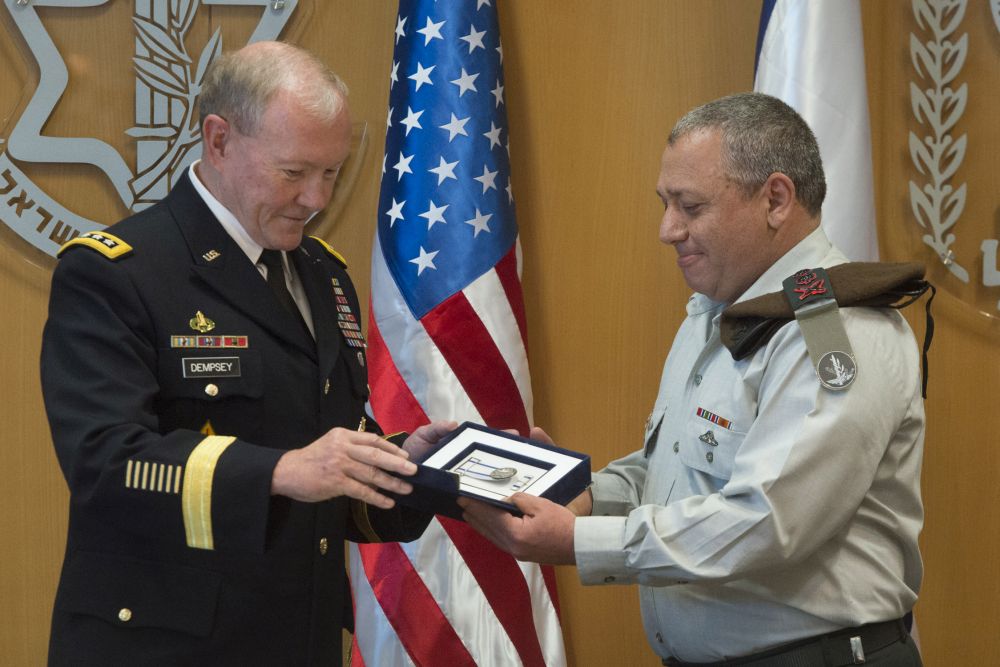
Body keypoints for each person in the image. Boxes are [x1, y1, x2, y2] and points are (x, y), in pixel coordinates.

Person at [461, 92, 925, 666]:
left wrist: (580, 541)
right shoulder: (718, 310)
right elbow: (678, 472)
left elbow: (768, 521)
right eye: (665, 204)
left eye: (690, 206)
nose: (667, 229)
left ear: (776, 199)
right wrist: (584, 496)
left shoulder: (834, 330)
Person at [40, 41, 453, 666]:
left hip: (297, 639)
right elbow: (104, 463)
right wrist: (281, 471)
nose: (317, 199)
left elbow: (318, 447)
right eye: (294, 172)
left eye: (331, 172)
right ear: (219, 140)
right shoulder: (120, 273)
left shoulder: (322, 274)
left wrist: (403, 465)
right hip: (165, 648)